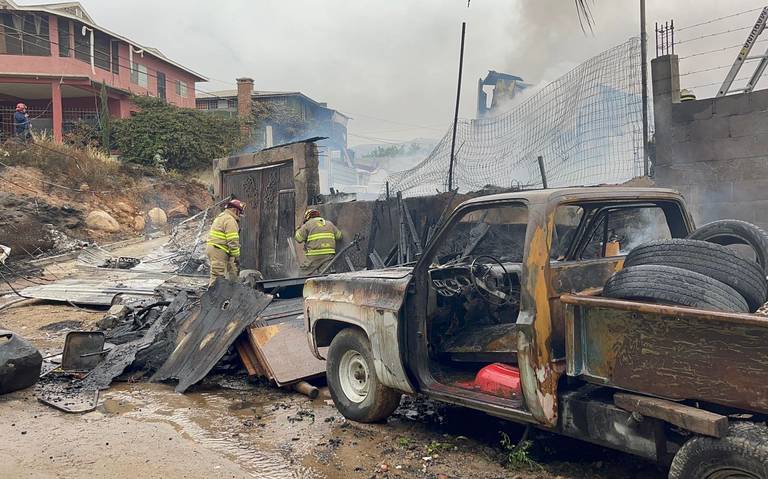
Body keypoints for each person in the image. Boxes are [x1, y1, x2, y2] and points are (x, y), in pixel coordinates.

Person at [206, 199, 245, 286]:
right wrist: (236, 256)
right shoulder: (229, 219)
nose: (239, 216)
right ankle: (212, 297)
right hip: (218, 250)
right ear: (235, 210)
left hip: (221, 249)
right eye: (239, 213)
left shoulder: (223, 216)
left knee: (232, 272)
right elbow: (232, 240)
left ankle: (232, 291)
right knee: (217, 277)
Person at [294, 209, 342, 276]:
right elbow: (339, 236)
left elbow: (298, 239)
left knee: (302, 274)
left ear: (308, 217)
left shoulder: (307, 224)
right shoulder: (329, 224)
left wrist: (298, 230)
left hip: (314, 255)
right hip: (328, 255)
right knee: (325, 276)